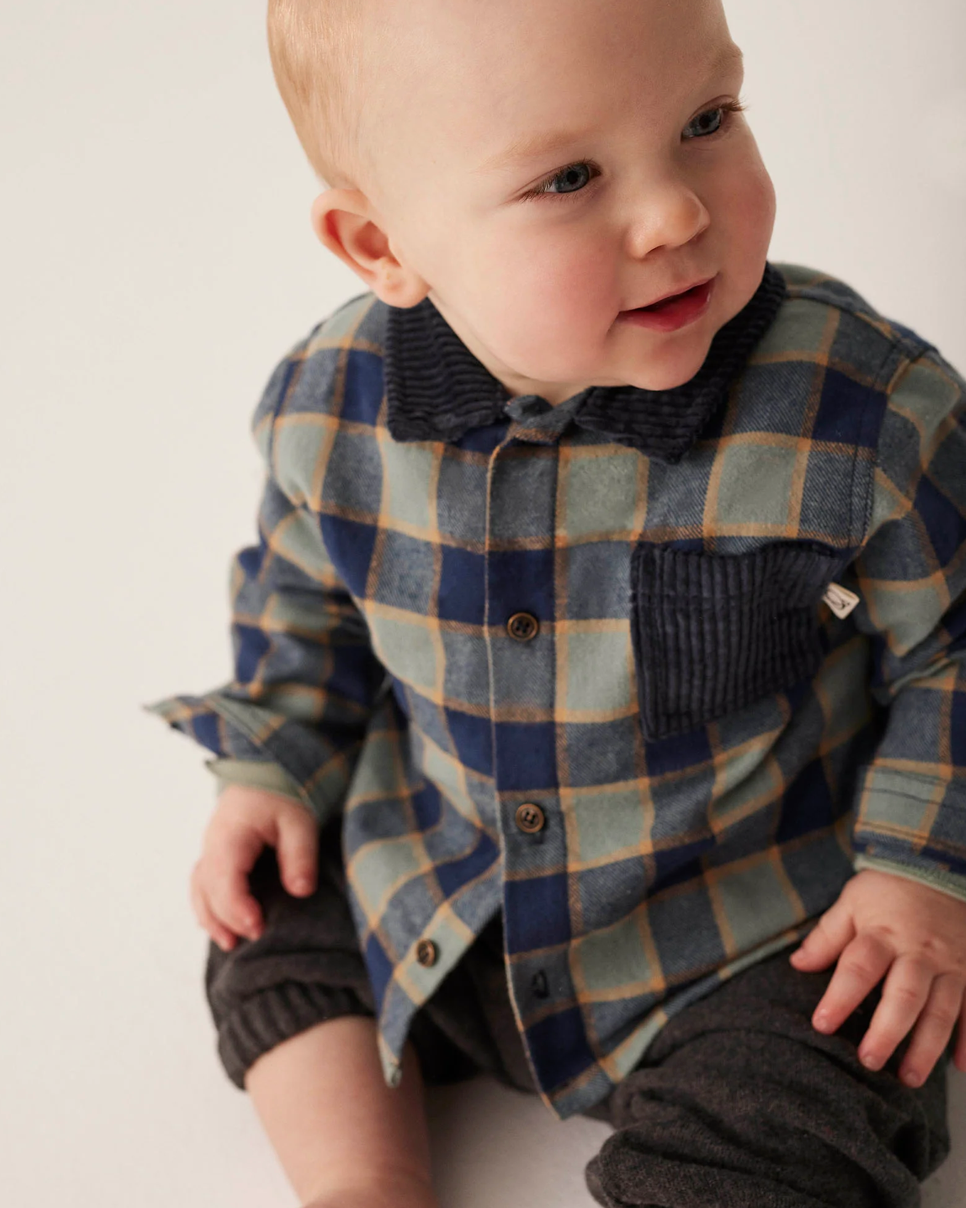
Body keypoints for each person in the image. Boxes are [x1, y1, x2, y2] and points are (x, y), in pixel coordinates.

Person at [145, 0, 966, 1204]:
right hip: (446, 885)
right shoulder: (333, 406)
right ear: (381, 246)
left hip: (749, 925)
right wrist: (273, 766)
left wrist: (920, 870)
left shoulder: (859, 407)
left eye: (707, 118)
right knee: (268, 909)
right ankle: (359, 1179)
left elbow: (954, 642)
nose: (678, 211)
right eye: (570, 175)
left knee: (839, 1059)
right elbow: (304, 601)